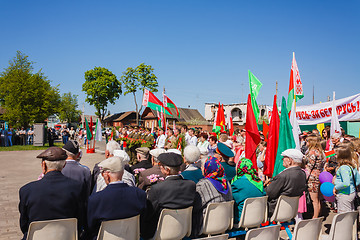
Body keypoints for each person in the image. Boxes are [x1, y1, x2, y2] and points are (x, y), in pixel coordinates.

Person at [19, 147, 86, 240]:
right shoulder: (77, 187)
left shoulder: (27, 190)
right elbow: (81, 218)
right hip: (67, 236)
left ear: (44, 165)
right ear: (64, 165)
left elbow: (24, 224)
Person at [87, 156, 147, 240]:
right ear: (122, 173)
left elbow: (90, 227)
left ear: (106, 175)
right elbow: (143, 220)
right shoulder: (140, 194)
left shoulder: (96, 199)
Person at [141, 152, 196, 239]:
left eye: (161, 166)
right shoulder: (191, 185)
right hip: (182, 230)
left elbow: (149, 213)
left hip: (159, 232)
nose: (160, 168)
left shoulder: (158, 188)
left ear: (167, 170)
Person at [192, 157, 233, 237]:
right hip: (223, 224)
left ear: (208, 168)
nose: (201, 169)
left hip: (205, 226)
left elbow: (195, 206)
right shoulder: (227, 184)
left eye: (203, 167)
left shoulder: (203, 185)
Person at [265, 149, 307, 216]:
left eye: (284, 158)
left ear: (290, 160)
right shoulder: (302, 173)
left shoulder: (283, 176)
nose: (282, 160)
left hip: (275, 210)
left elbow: (269, 193)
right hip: (291, 209)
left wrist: (266, 185)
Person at [231, 158, 265, 224]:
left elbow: (232, 199)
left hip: (241, 219)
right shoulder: (259, 182)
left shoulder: (237, 183)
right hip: (258, 217)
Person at [334, 145, 360, 213]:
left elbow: (346, 183)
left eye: (336, 154)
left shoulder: (343, 168)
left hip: (344, 194)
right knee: (350, 212)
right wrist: (353, 186)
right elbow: (358, 180)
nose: (334, 156)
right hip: (352, 192)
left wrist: (336, 187)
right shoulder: (351, 166)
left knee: (344, 214)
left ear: (341, 156)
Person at [304, 135, 326, 218]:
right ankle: (318, 214)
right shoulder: (320, 152)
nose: (306, 142)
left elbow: (309, 166)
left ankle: (315, 217)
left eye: (307, 141)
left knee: (314, 200)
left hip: (313, 177)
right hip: (319, 174)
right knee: (318, 199)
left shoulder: (312, 152)